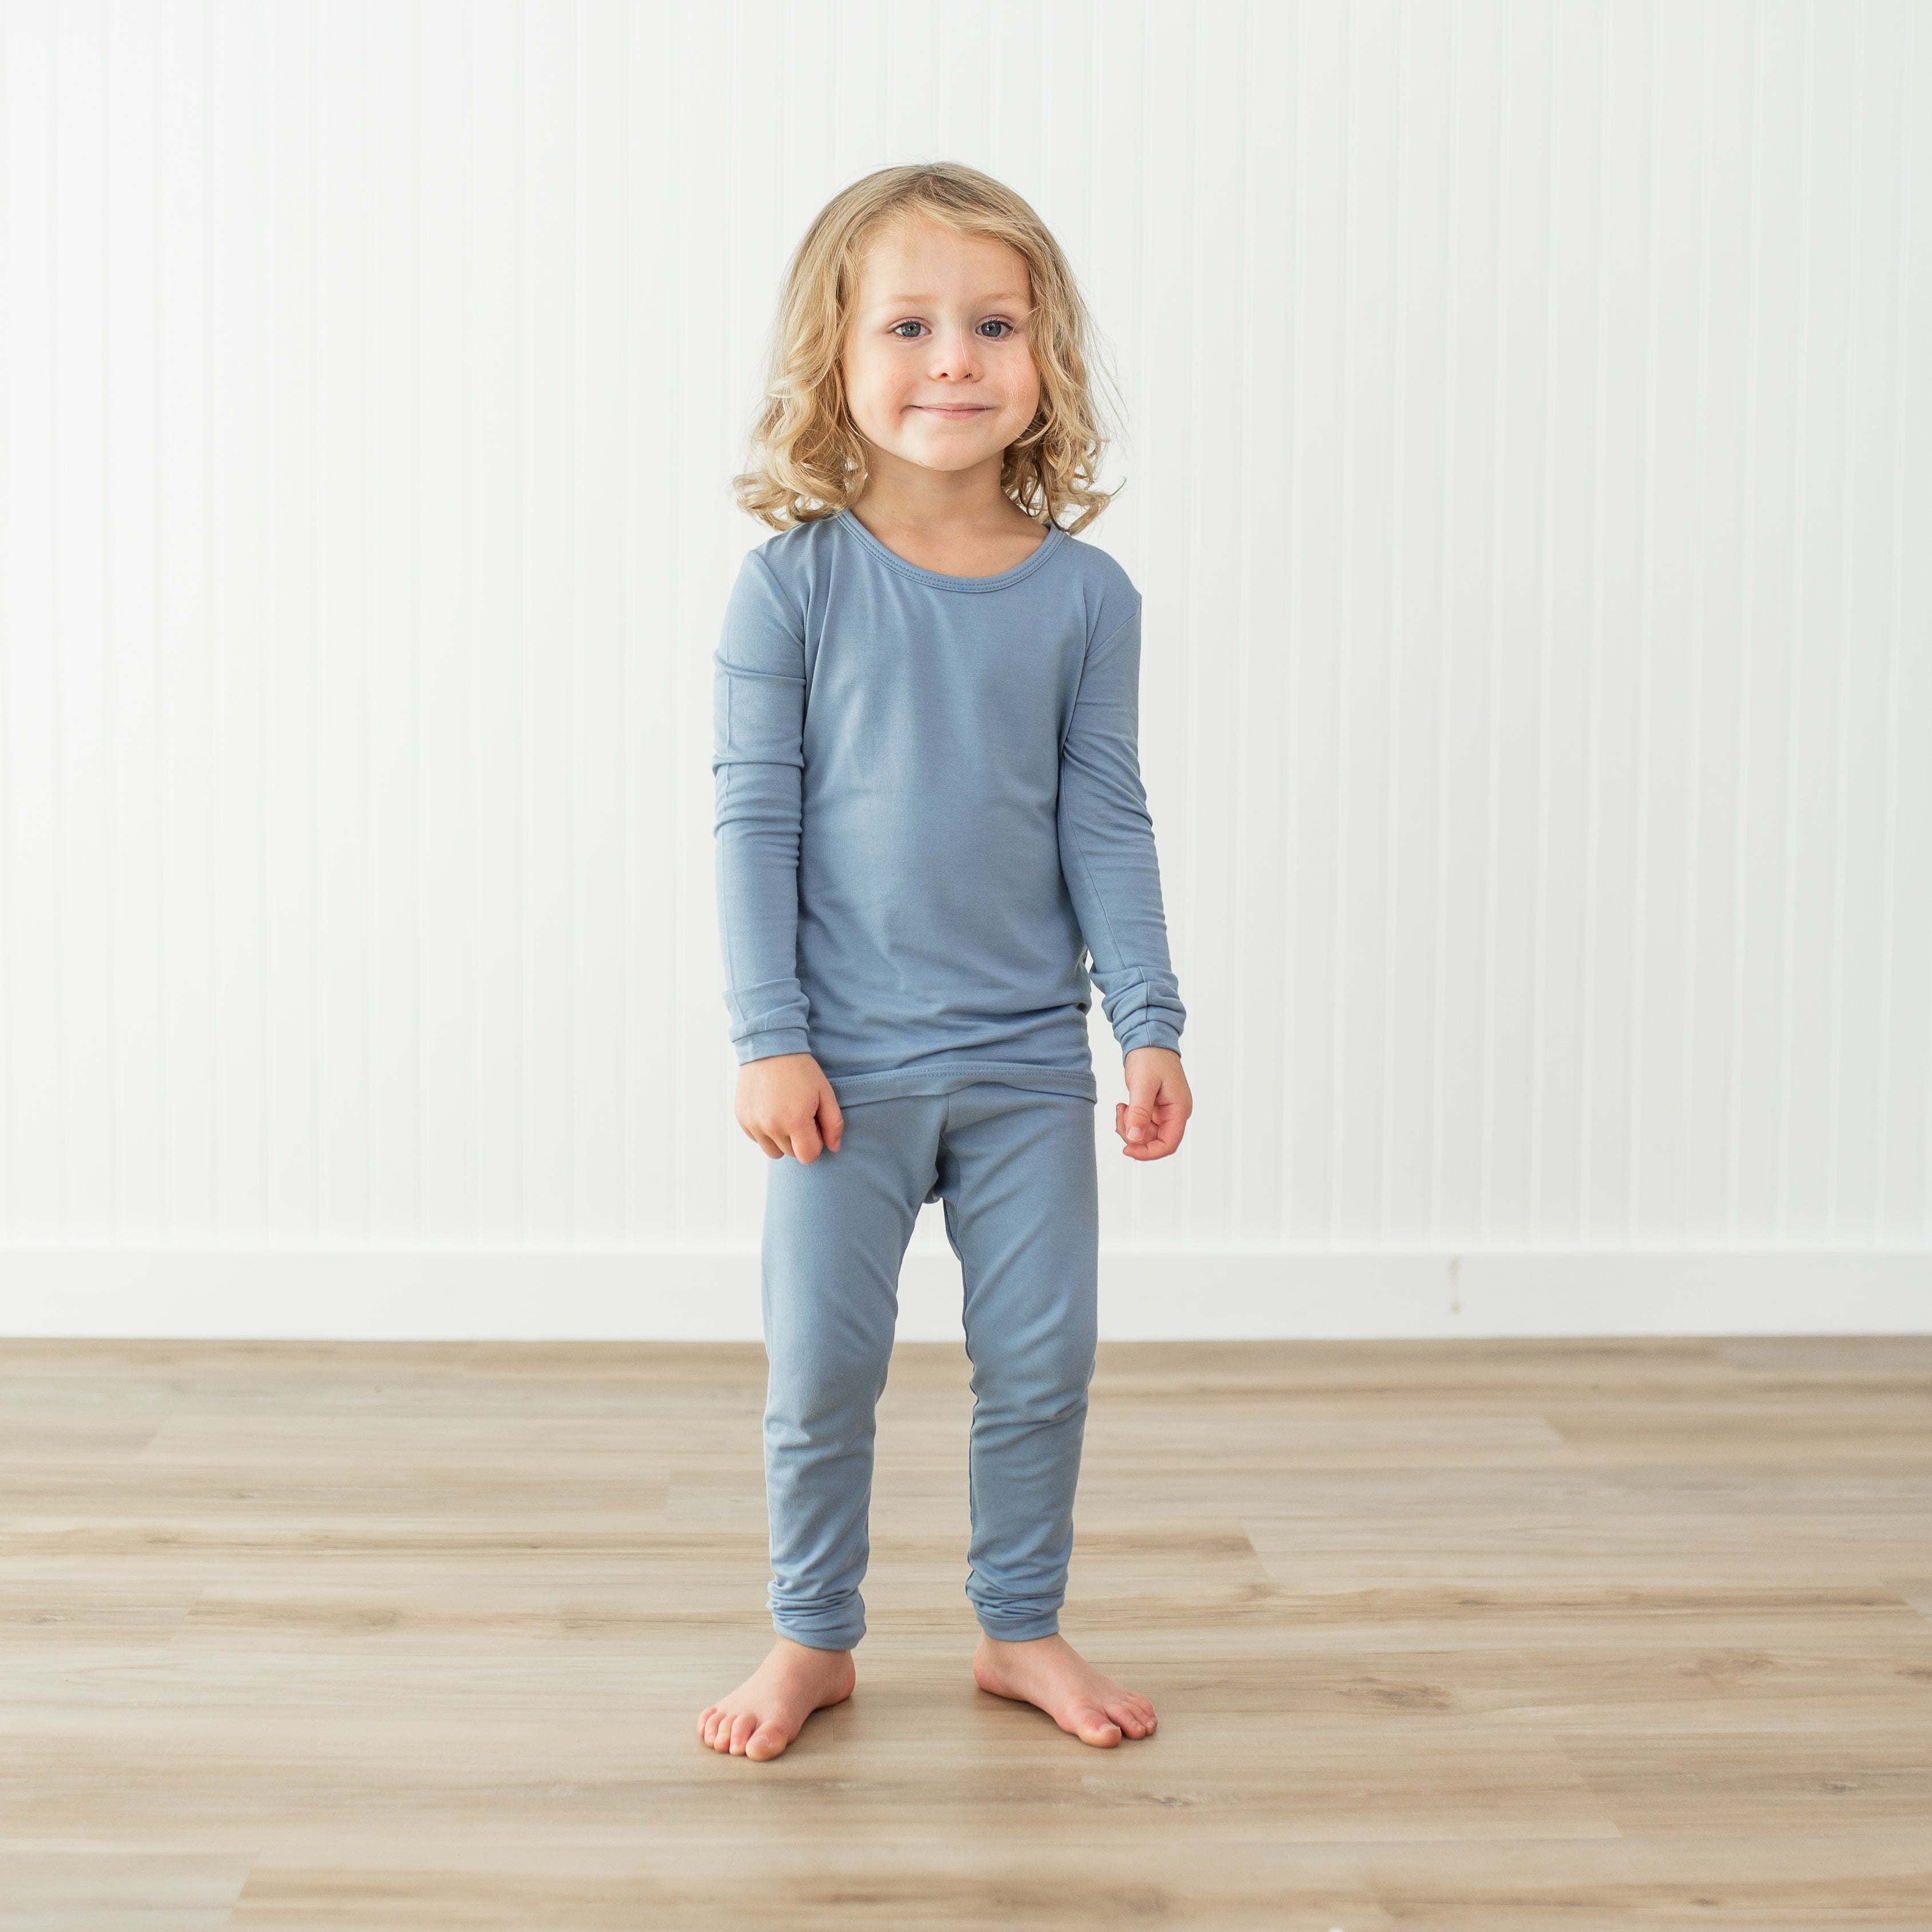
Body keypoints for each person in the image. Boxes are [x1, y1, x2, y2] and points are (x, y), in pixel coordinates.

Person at [699, 161, 1192, 1763]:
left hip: (1024, 1065)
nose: (954, 359)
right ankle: (810, 1635)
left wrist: (1148, 1019)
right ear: (832, 358)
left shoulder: (1085, 597)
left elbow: (1105, 822)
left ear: (1043, 357)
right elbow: (751, 821)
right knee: (821, 1369)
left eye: (993, 324)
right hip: (839, 1064)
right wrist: (768, 1032)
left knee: (1041, 1356)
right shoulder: (792, 588)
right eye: (908, 324)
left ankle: (1016, 1624)